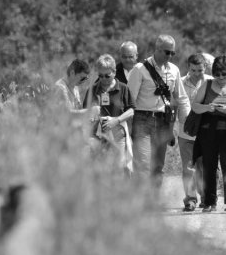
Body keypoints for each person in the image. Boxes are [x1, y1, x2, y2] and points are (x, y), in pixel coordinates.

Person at [127, 35, 190, 188]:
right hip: (142, 119)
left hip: (163, 121)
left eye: (172, 53)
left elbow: (181, 98)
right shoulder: (139, 69)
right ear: (157, 49)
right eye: (167, 52)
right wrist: (128, 128)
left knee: (158, 165)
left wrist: (186, 121)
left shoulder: (174, 70)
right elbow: (129, 101)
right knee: (143, 163)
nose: (169, 56)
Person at [192, 55, 226, 213]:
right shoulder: (207, 85)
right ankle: (210, 202)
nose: (221, 78)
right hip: (208, 131)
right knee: (209, 166)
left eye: (224, 74)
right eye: (217, 74)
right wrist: (207, 107)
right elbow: (195, 106)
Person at [83, 54, 135, 174]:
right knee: (98, 171)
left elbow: (131, 110)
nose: (104, 79)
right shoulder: (92, 90)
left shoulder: (123, 88)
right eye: (100, 76)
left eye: (107, 76)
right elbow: (85, 114)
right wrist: (91, 112)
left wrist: (116, 120)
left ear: (114, 72)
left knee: (118, 169)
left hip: (118, 133)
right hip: (97, 135)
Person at [178, 53, 213, 211]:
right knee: (188, 167)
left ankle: (206, 198)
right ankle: (190, 199)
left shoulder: (211, 83)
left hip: (206, 132)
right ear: (188, 68)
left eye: (200, 70)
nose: (197, 74)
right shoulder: (180, 83)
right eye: (194, 70)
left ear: (205, 67)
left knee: (204, 167)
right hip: (185, 133)